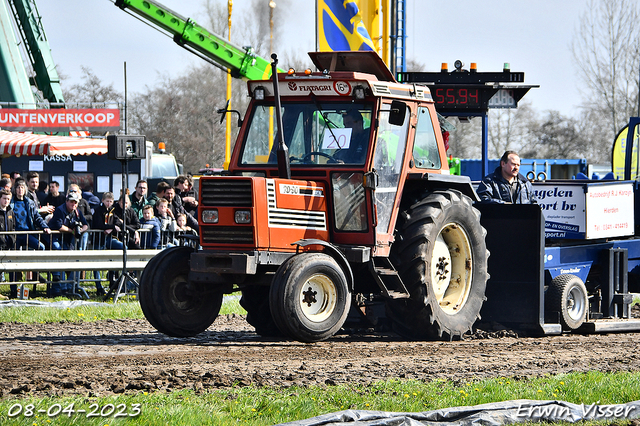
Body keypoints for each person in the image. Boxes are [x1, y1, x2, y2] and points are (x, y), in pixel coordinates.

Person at [48, 191, 89, 296]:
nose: (73, 204)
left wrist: (80, 230)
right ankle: (61, 287)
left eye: (75, 202)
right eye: (71, 202)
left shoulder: (77, 212)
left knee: (72, 261)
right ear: (66, 201)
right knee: (60, 258)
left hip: (67, 241)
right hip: (54, 238)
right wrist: (73, 231)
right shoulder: (60, 210)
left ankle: (69, 287)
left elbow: (86, 225)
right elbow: (59, 226)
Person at [0, 188, 16, 299]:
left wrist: (13, 239)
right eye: (4, 199)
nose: (6, 201)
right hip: (0, 244)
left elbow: (14, 227)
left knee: (11, 269)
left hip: (9, 245)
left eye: (8, 199)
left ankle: (13, 291)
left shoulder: (11, 212)